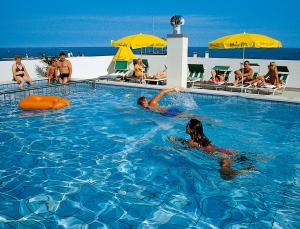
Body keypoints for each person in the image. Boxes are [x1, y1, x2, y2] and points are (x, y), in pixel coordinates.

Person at [185, 118, 257, 180]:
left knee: (226, 175)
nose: (186, 127)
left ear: (191, 130)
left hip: (221, 157)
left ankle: (247, 170)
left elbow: (187, 150)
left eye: (187, 125)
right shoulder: (204, 138)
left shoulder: (191, 142)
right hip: (227, 152)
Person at [137, 87, 210, 120]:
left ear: (145, 101)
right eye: (142, 105)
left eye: (142, 104)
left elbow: (163, 92)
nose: (143, 106)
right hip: (168, 111)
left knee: (190, 116)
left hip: (168, 113)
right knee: (189, 116)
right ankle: (205, 120)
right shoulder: (147, 107)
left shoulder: (151, 102)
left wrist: (174, 89)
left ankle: (208, 119)